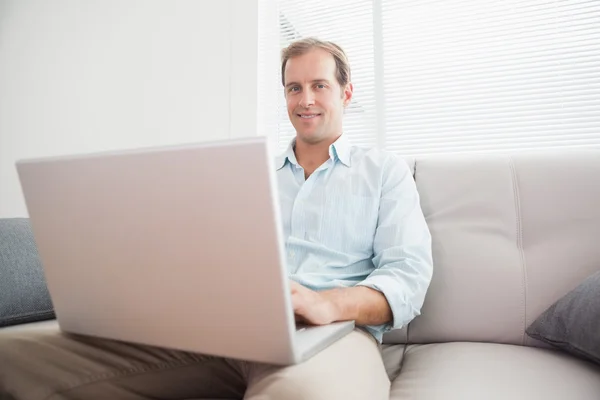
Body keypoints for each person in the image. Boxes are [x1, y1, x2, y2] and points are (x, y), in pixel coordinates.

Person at [0, 37, 433, 400]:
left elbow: (407, 277)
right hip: (227, 332)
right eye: (293, 88)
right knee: (12, 353)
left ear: (346, 93)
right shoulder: (244, 174)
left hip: (333, 334)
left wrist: (325, 303)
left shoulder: (384, 172)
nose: (305, 100)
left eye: (319, 85)